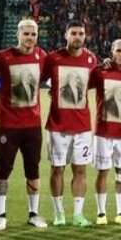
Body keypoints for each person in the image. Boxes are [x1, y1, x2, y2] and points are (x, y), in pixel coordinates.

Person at [0, 19, 48, 230]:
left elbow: (52, 76)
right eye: (26, 33)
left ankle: (33, 213)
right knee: (3, 170)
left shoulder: (42, 56)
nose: (30, 38)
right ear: (18, 34)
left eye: (33, 34)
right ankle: (0, 215)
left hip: (33, 125)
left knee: (33, 169)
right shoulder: (2, 57)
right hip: (8, 124)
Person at [44, 21, 98, 227]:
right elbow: (40, 78)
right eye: (73, 33)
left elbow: (93, 84)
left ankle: (77, 214)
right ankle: (59, 214)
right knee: (57, 169)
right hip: (57, 126)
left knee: (80, 170)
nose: (77, 37)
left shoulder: (91, 59)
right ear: (66, 35)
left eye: (81, 33)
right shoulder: (53, 58)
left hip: (82, 126)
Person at [91, 39, 121, 225]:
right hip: (103, 133)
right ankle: (101, 213)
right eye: (118, 50)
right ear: (112, 52)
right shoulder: (100, 72)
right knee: (103, 172)